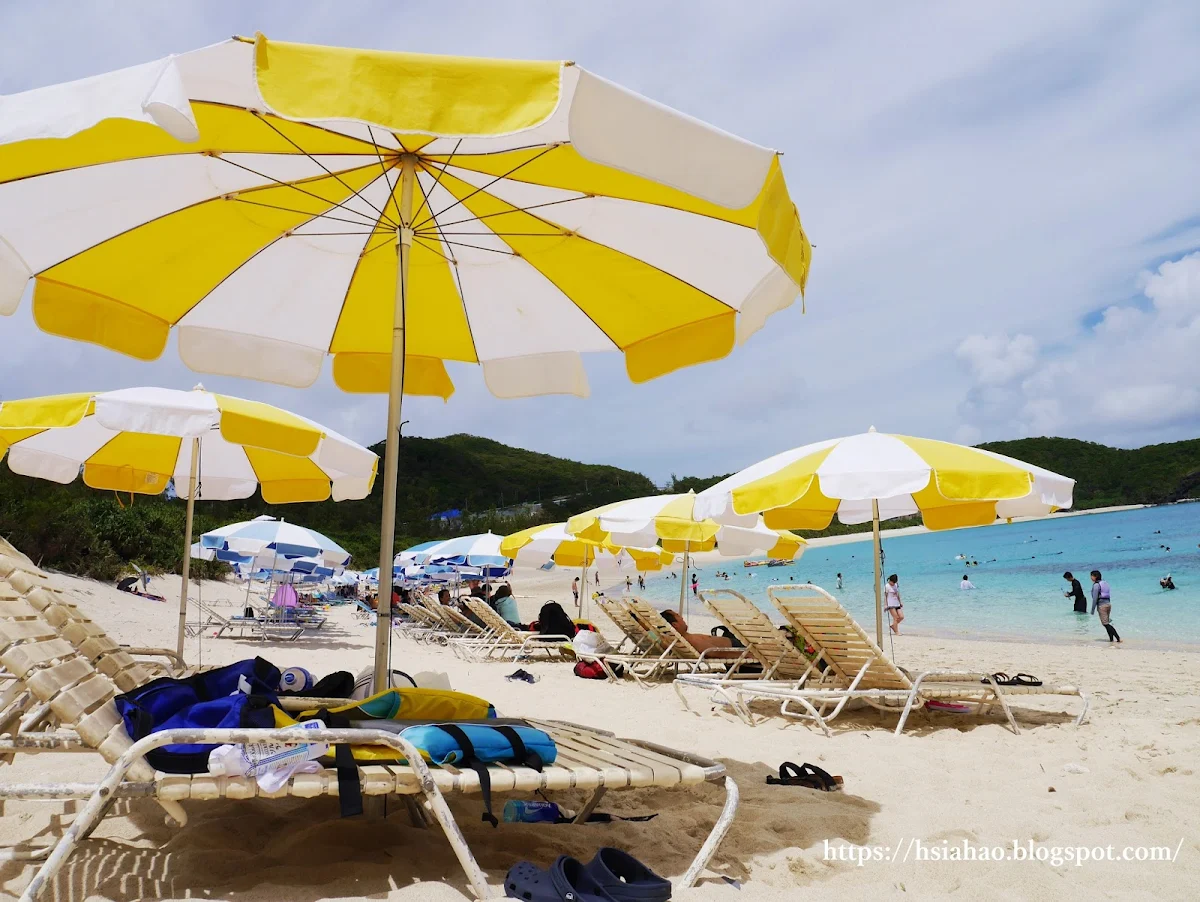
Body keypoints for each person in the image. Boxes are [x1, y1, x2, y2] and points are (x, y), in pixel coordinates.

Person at [660, 609, 739, 657]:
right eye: (678, 616)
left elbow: (663, 645)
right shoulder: (692, 641)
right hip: (737, 646)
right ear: (675, 625)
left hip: (733, 643)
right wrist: (745, 654)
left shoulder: (670, 640)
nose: (682, 617)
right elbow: (715, 653)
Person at [1090, 570, 1121, 643]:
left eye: (1091, 576)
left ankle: (1118, 638)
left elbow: (1095, 598)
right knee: (1106, 623)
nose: (1091, 577)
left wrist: (1092, 609)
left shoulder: (1096, 585)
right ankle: (1111, 640)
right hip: (1108, 604)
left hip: (1102, 606)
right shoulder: (1105, 583)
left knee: (1106, 624)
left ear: (1095, 577)